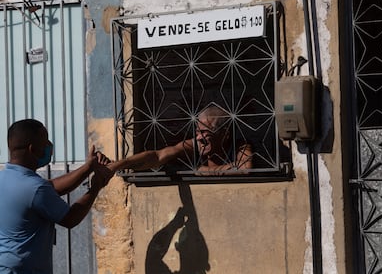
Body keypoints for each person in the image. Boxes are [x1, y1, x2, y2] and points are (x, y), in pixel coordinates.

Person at [0, 119, 113, 273]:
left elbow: (50, 188)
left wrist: (88, 167)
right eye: (44, 142)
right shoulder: (35, 188)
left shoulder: (7, 179)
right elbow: (71, 218)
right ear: (32, 149)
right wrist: (96, 187)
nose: (49, 146)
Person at [110, 105, 253, 175]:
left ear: (224, 134)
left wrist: (203, 171)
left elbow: (245, 169)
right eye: (197, 132)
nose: (199, 138)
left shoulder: (240, 146)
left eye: (205, 132)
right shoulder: (194, 145)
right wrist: (119, 165)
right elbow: (158, 156)